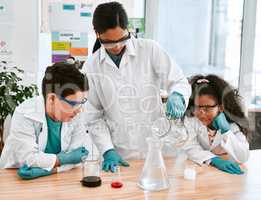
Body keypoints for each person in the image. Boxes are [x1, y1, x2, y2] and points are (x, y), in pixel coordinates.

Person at [82, 2, 191, 172]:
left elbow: (179, 81)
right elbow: (93, 116)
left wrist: (177, 94)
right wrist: (107, 150)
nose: (117, 46)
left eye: (122, 39)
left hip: (160, 147)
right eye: (110, 42)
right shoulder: (92, 66)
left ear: (128, 29)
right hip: (121, 153)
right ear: (97, 34)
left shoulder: (149, 49)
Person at [0, 62, 89, 179]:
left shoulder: (76, 114)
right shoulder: (25, 112)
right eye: (73, 103)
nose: (79, 110)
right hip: (13, 176)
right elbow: (29, 159)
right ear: (52, 98)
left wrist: (47, 171)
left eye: (82, 102)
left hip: (57, 178)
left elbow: (77, 158)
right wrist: (63, 159)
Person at [181, 74, 250, 174]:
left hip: (221, 177)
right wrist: (213, 160)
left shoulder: (231, 125)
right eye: (197, 107)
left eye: (207, 108)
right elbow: (191, 147)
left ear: (221, 108)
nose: (201, 113)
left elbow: (243, 157)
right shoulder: (191, 119)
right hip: (197, 170)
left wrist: (226, 131)